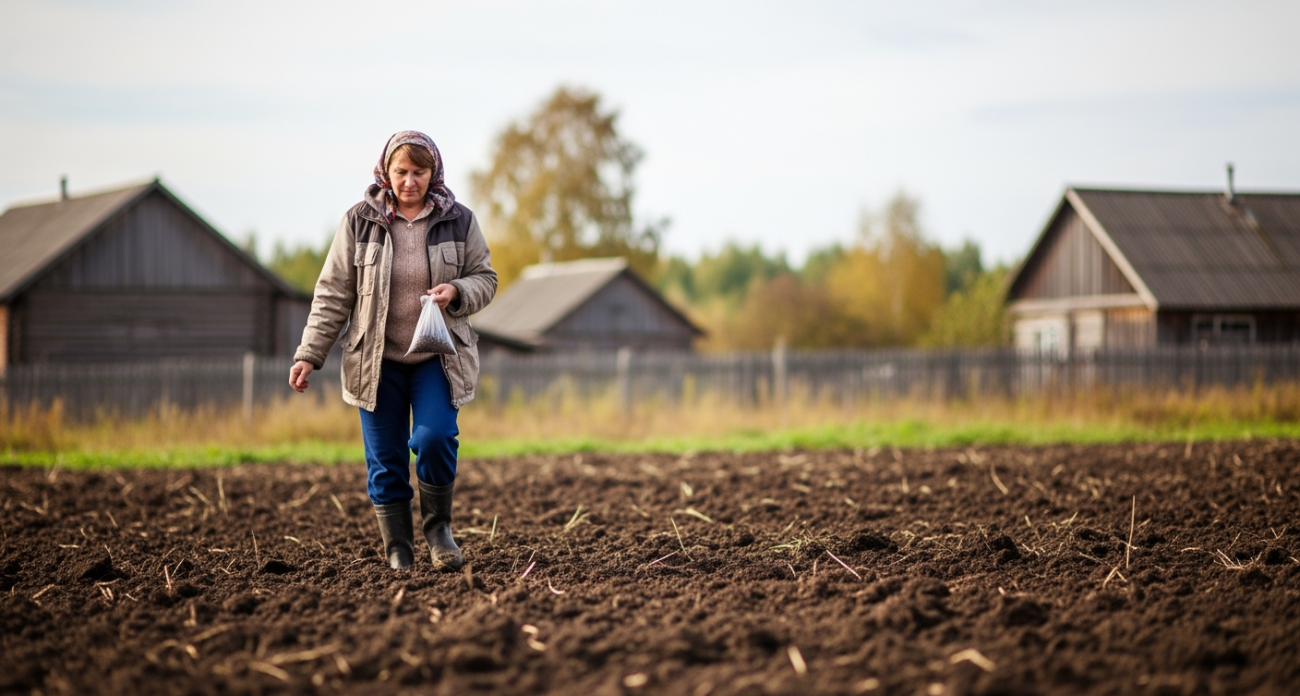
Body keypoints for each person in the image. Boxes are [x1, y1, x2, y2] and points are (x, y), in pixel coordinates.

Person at [289, 131, 497, 571]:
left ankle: (438, 531)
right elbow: (332, 294)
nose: (409, 181)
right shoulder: (358, 222)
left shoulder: (459, 220)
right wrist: (309, 354)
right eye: (401, 171)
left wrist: (457, 290)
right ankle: (398, 549)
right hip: (375, 362)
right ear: (386, 171)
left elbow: (486, 278)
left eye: (418, 172)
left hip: (436, 359)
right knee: (385, 463)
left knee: (435, 438)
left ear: (433, 173)